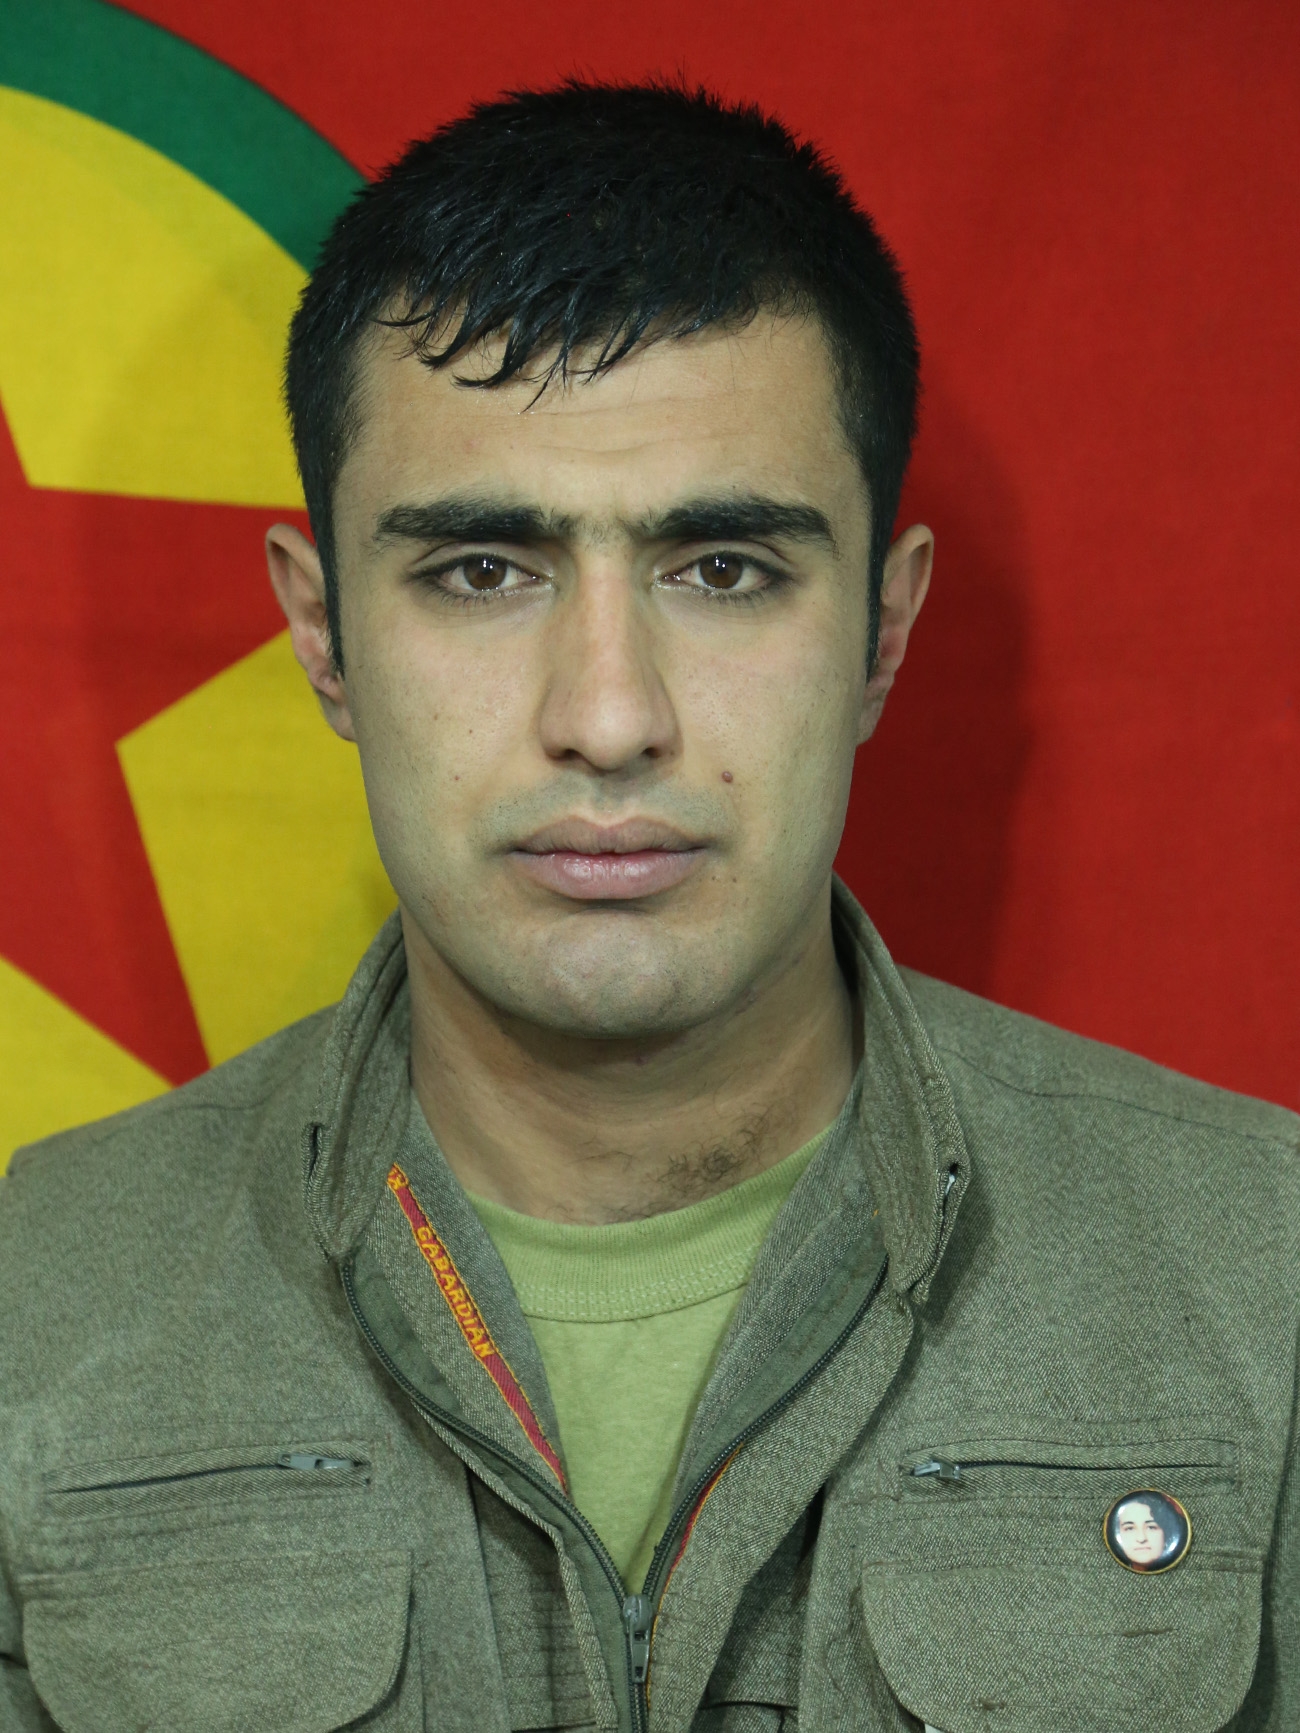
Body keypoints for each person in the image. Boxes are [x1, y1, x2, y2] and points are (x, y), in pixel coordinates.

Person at [0, 82, 1295, 1733]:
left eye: (725, 569)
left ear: (883, 632)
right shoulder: (33, 1305)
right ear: (321, 637)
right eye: (481, 571)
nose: (609, 717)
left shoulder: (1266, 1278)